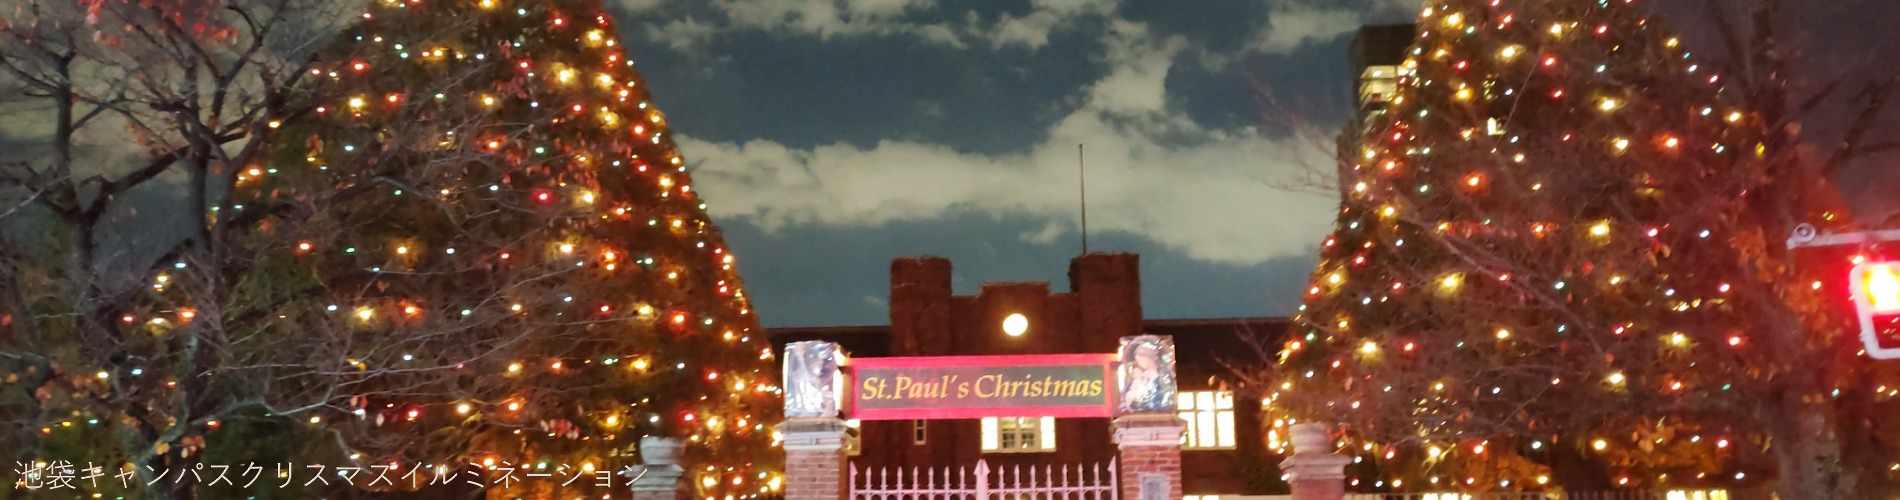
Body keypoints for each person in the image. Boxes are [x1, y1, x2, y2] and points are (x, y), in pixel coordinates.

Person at [1118, 339, 1173, 413]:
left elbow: (1160, 399)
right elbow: (1130, 400)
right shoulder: (1137, 377)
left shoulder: (1161, 378)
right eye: (1137, 357)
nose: (1138, 361)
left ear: (1150, 357)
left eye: (1140, 357)